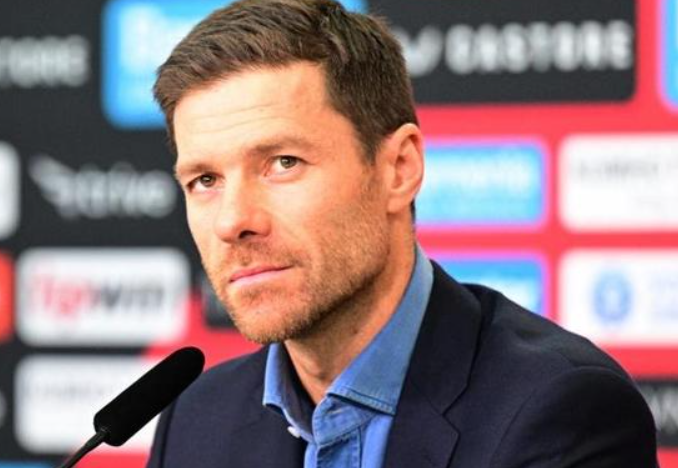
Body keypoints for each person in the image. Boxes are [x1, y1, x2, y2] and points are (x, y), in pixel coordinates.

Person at [146, 0, 658, 466]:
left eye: (283, 163)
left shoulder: (559, 413)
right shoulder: (196, 421)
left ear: (399, 168)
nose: (233, 221)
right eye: (205, 180)